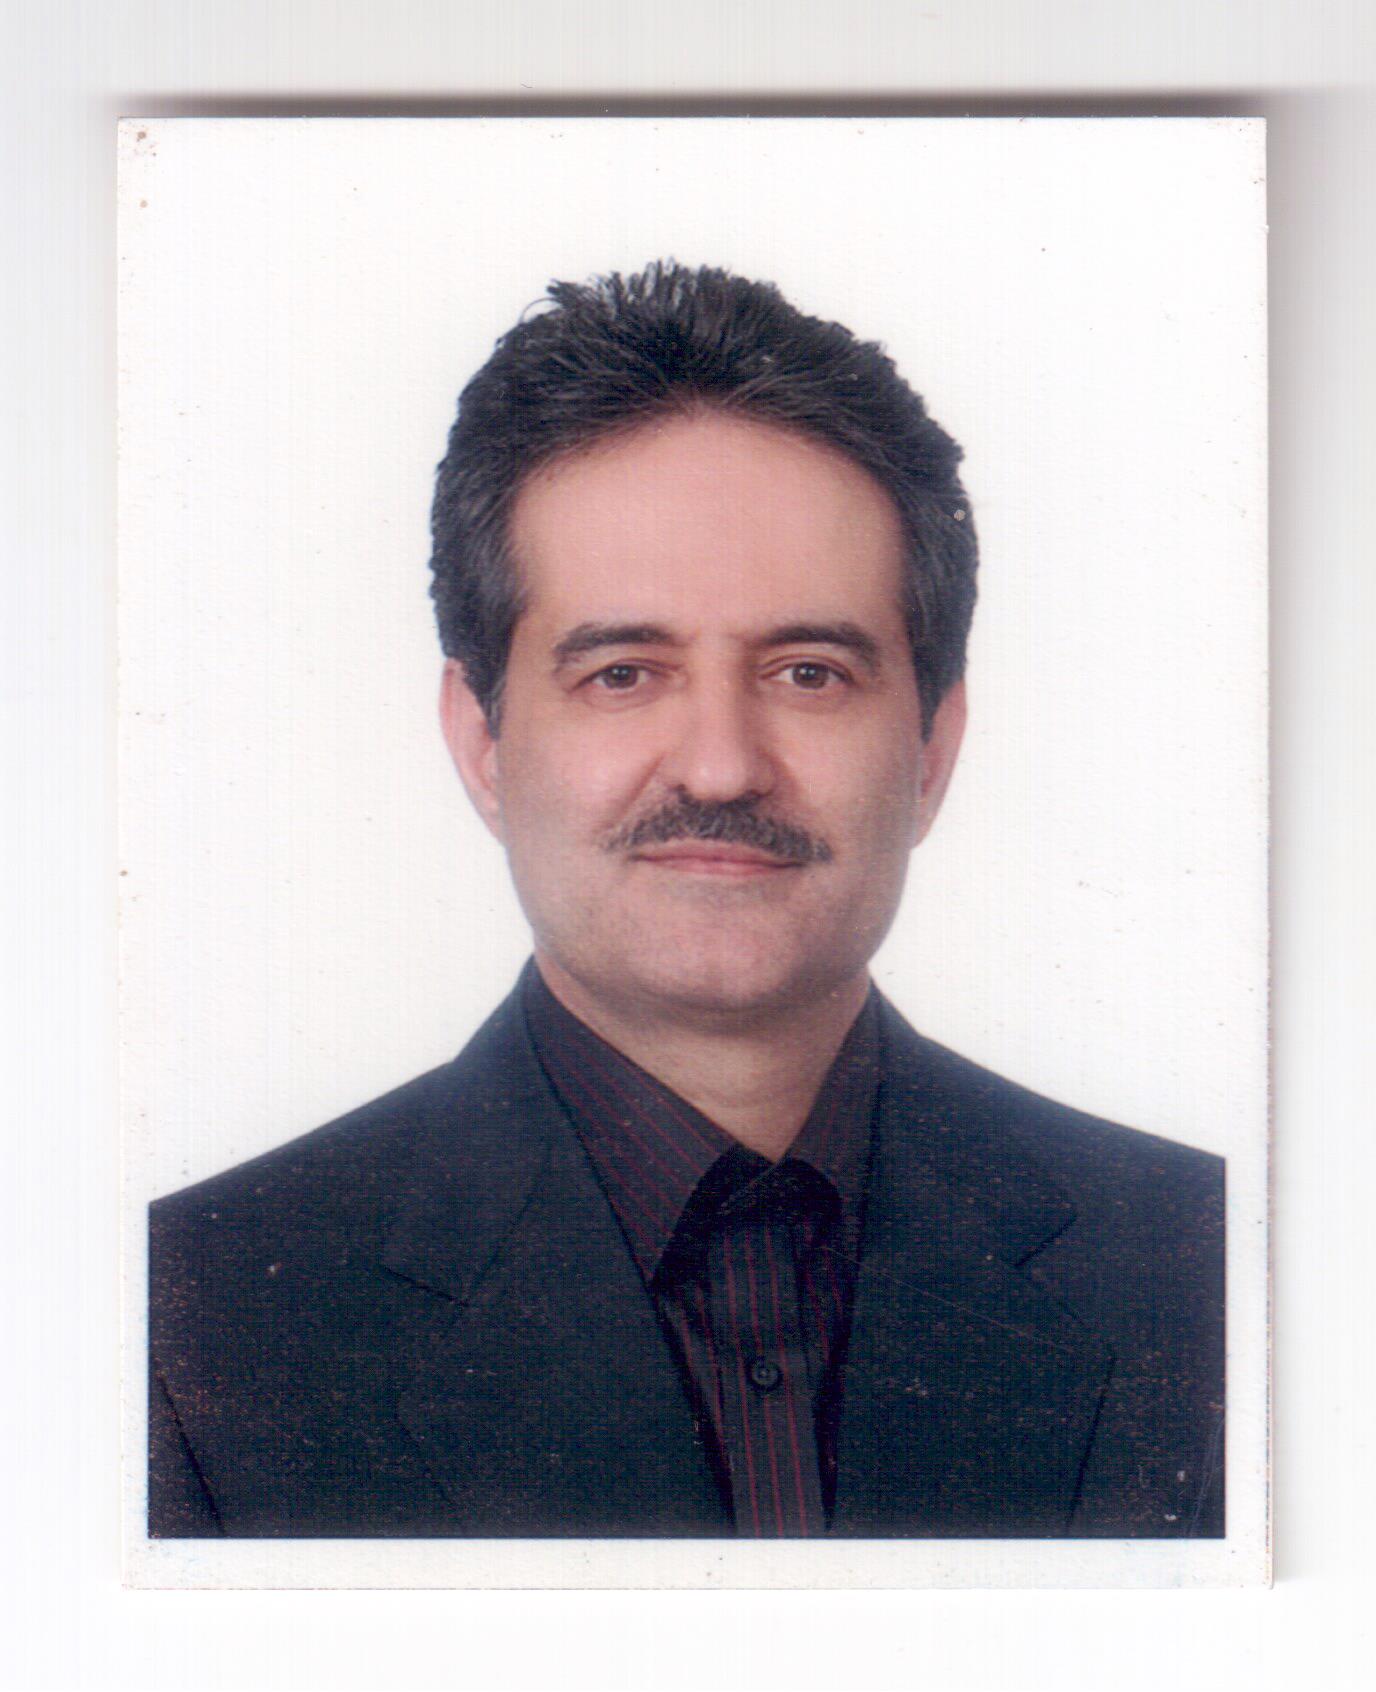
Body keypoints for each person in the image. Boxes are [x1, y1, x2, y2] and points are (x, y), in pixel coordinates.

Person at [148, 262, 1224, 1540]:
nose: (719, 766)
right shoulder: (181, 1324)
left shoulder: (1214, 1267)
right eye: (622, 673)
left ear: (932, 750)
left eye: (808, 672)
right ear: (482, 741)